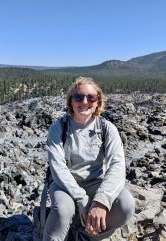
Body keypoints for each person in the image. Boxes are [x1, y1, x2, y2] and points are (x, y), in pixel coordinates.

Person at [43, 77, 135, 241]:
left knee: (125, 205)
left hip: (95, 181)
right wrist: (82, 199)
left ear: (97, 102)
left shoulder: (107, 128)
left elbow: (117, 165)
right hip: (64, 183)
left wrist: (101, 201)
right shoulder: (59, 128)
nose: (84, 101)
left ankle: (86, 234)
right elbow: (58, 169)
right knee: (63, 209)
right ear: (71, 101)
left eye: (91, 97)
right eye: (78, 97)